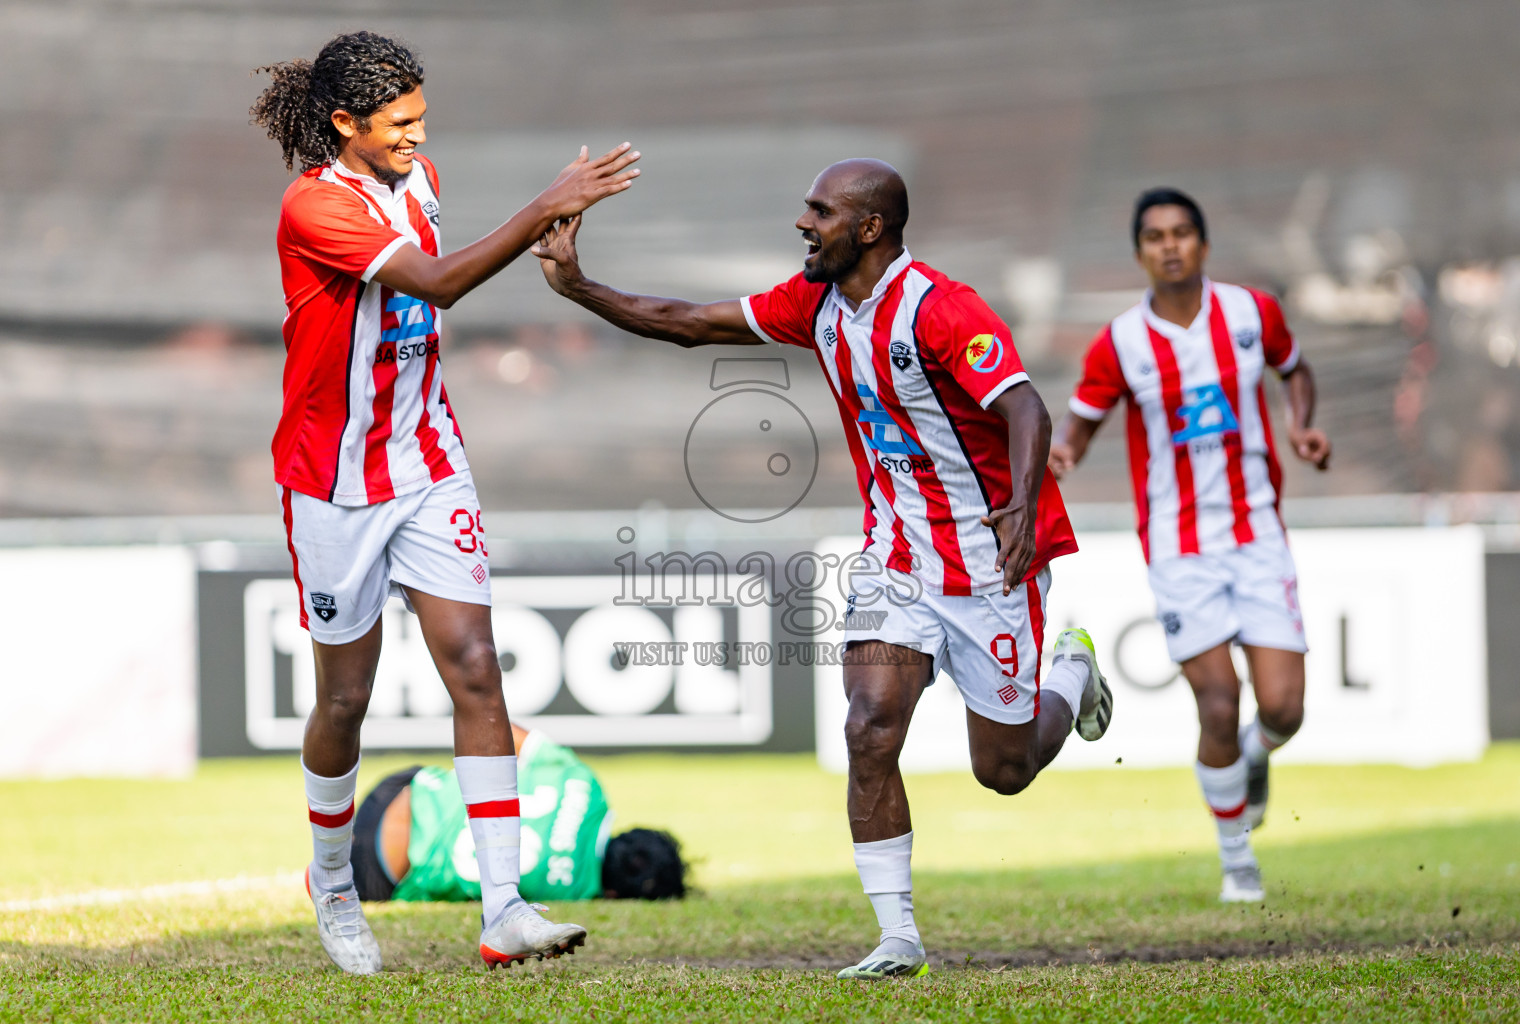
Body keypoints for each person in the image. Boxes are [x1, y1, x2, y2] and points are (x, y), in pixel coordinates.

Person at [531, 158, 1114, 980]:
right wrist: (581, 288)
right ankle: (897, 938)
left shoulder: (945, 309)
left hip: (991, 560)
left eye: (820, 211)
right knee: (869, 725)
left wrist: (1019, 504)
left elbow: (1024, 404)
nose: (803, 224)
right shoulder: (815, 303)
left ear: (870, 228)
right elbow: (689, 322)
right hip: (893, 560)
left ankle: (1072, 673)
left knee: (1006, 771)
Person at [249, 30, 641, 974]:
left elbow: (431, 295)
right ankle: (336, 890)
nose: (417, 137)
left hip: (429, 462)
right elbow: (438, 281)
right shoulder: (314, 206)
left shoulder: (415, 180)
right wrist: (543, 204)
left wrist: (550, 236)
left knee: (475, 667)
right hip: (335, 482)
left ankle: (504, 908)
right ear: (344, 124)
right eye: (398, 124)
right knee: (345, 698)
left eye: (423, 118)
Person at [1049, 187, 1332, 903]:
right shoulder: (1119, 342)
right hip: (1177, 546)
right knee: (1215, 702)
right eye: (1154, 236)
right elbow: (1078, 425)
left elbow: (1295, 369)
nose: (1169, 246)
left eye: (1181, 233)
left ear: (1203, 244)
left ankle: (1254, 756)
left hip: (1257, 530)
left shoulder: (1251, 312)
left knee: (1284, 709)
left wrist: (1302, 425)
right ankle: (1238, 862)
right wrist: (1058, 457)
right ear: (1140, 252)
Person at [351, 725, 687, 907]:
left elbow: (497, 728)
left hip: (399, 790)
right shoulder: (574, 895)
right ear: (615, 895)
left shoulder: (586, 784)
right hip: (378, 872)